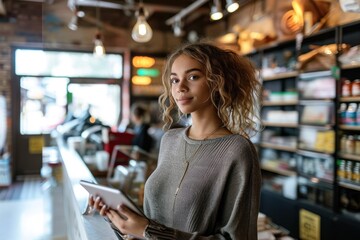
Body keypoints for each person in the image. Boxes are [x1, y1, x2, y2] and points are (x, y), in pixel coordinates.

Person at [89, 42, 262, 239]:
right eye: (174, 80)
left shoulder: (237, 150)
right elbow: (154, 222)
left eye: (193, 77)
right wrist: (121, 219)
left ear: (218, 82)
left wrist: (147, 230)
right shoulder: (169, 139)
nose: (180, 87)